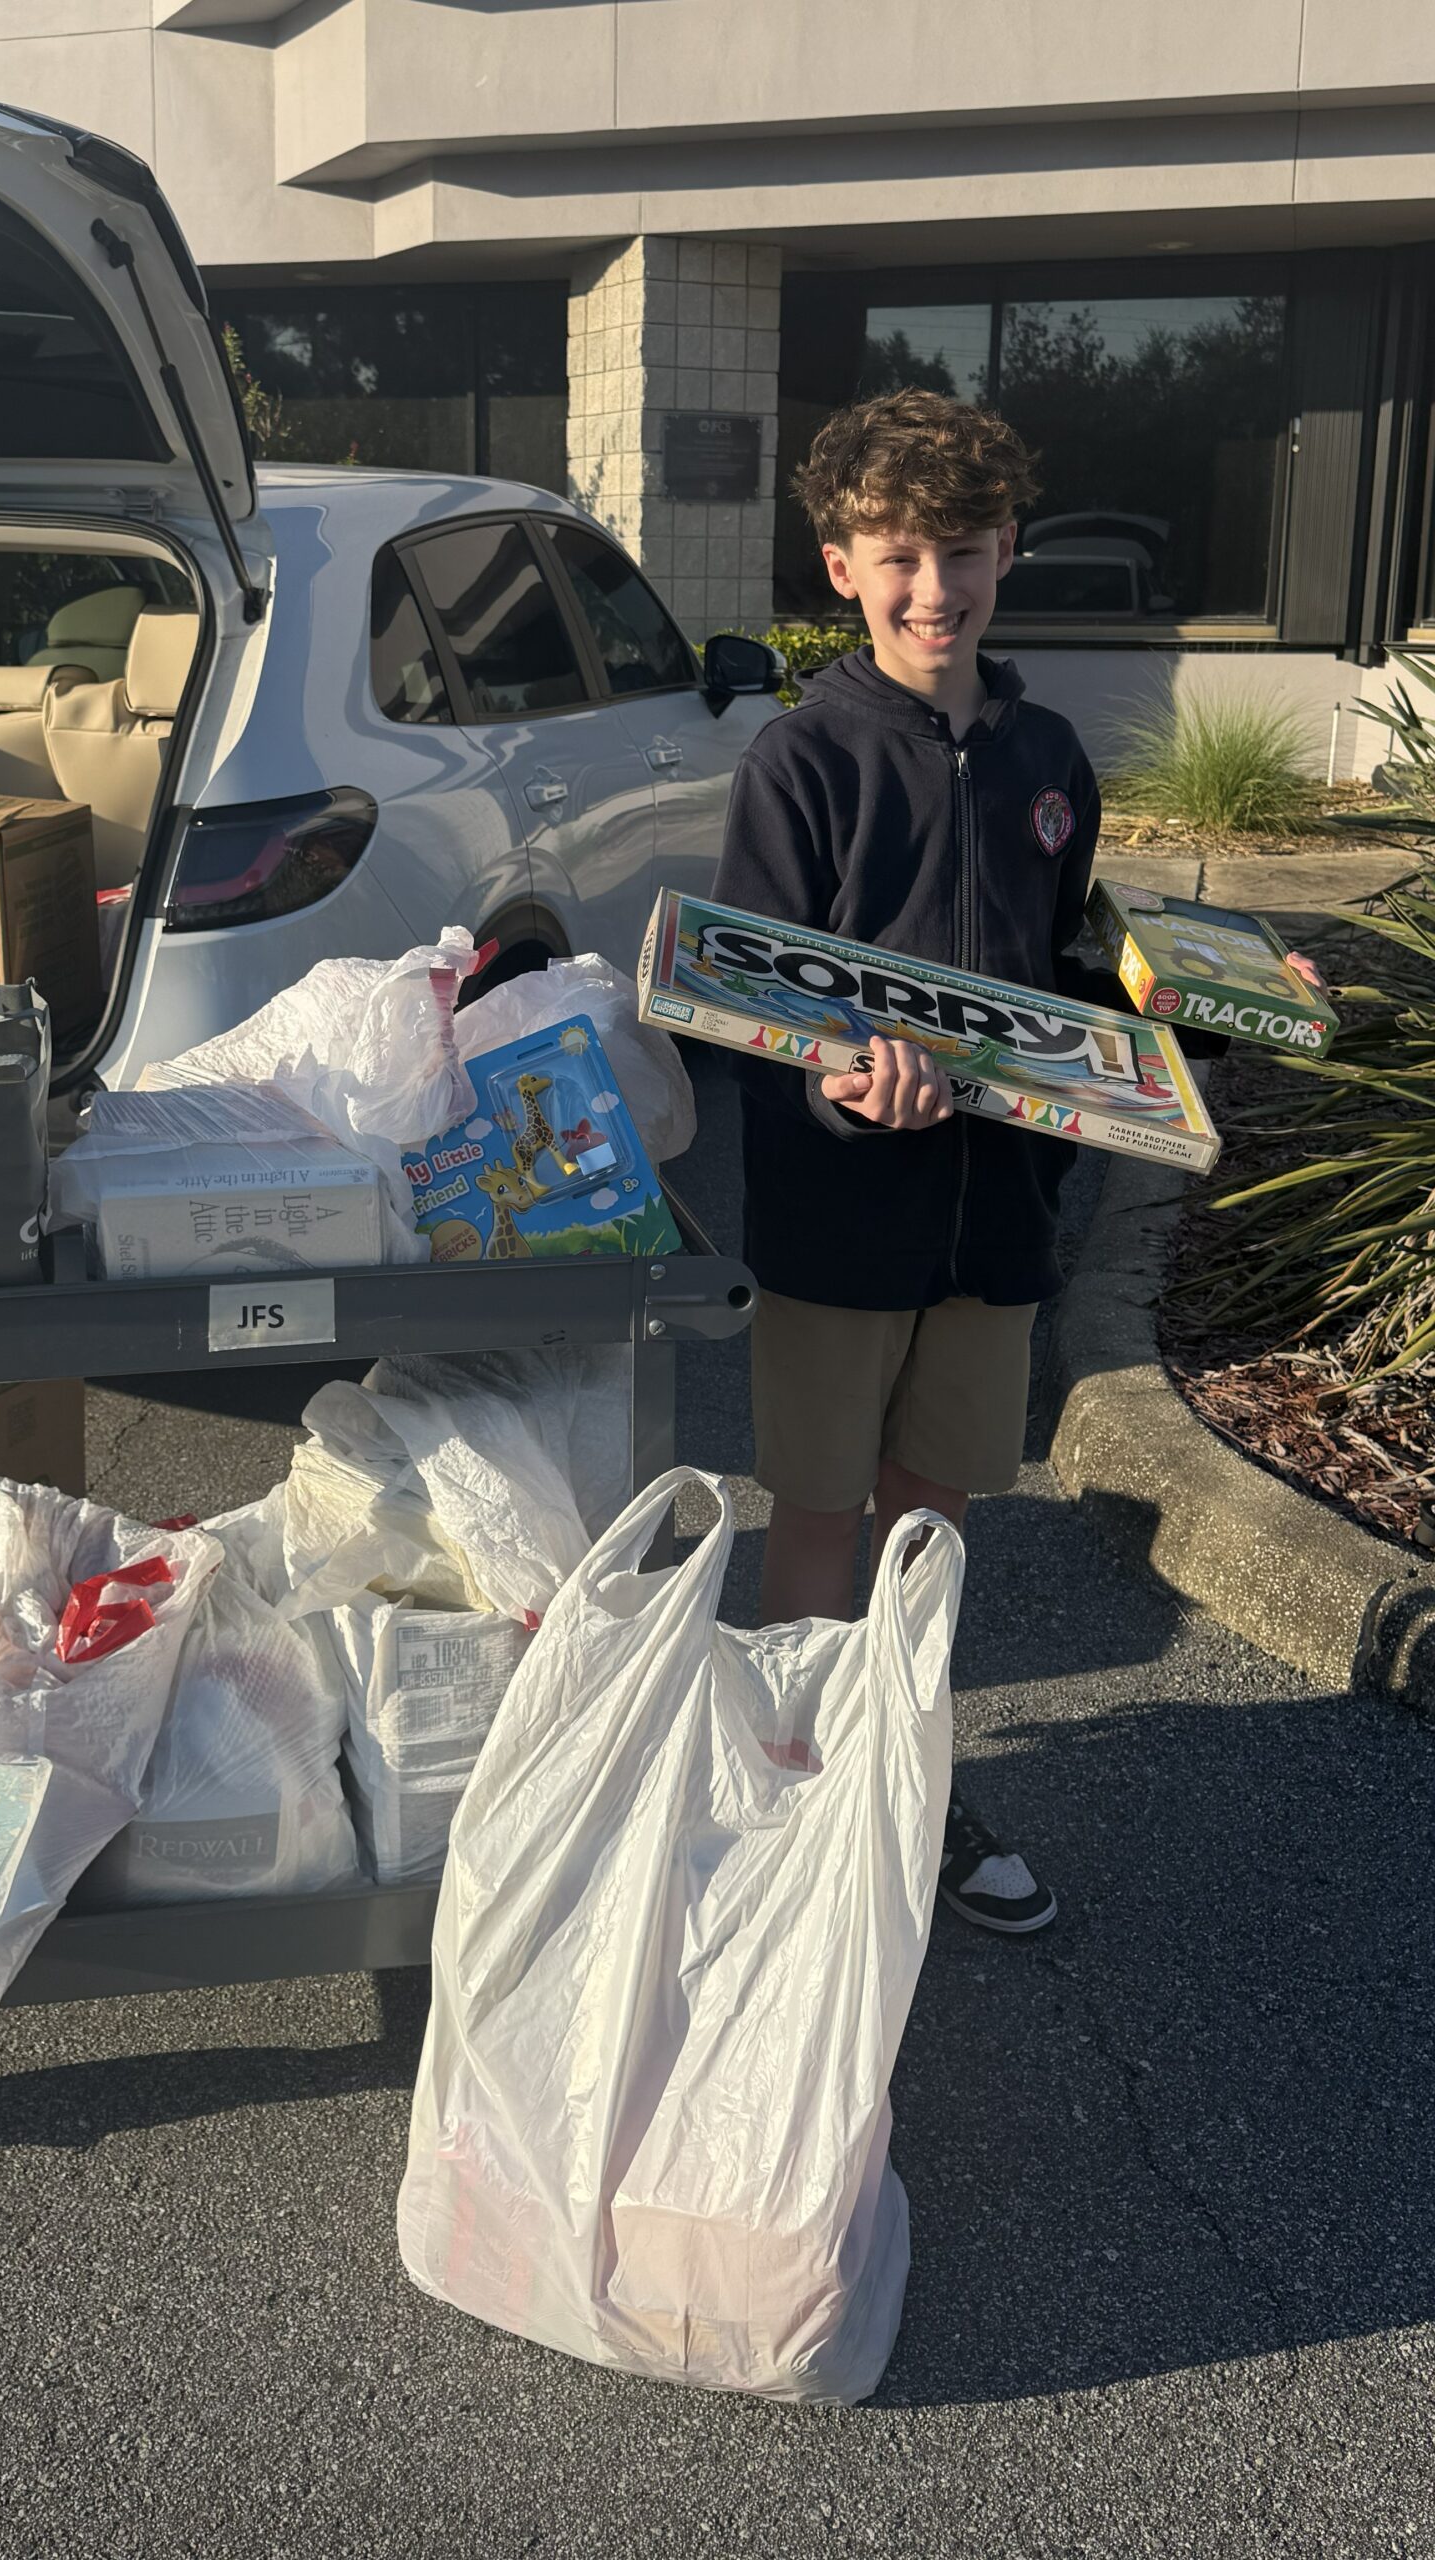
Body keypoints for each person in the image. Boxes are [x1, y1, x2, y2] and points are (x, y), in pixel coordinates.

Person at [714, 386, 1101, 1936]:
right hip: (840, 1218)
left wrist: (1193, 1020)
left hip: (994, 1218)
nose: (934, 587)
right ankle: (790, 1794)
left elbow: (1072, 977)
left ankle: (911, 1782)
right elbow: (750, 1009)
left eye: (964, 551)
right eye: (900, 555)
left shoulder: (1052, 755)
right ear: (840, 567)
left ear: (1009, 553)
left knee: (929, 1521)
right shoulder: (802, 765)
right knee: (818, 1513)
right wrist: (835, 1081)